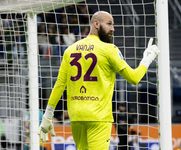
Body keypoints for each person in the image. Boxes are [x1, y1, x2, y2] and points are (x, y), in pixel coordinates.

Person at [38, 11, 160, 150]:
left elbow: (59, 84)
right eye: (109, 24)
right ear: (96, 24)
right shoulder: (109, 49)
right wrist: (147, 59)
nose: (112, 28)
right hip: (99, 117)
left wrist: (48, 115)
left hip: (76, 116)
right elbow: (134, 78)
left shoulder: (70, 50)